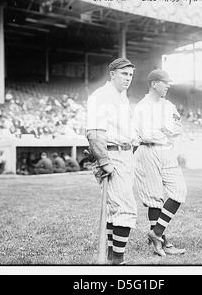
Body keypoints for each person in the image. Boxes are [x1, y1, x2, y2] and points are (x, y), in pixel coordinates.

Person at [85, 57, 137, 265]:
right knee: (125, 208)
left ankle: (110, 255)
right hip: (111, 154)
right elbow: (94, 132)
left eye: (131, 75)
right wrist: (105, 160)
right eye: (124, 74)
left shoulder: (121, 97)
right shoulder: (101, 96)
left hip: (125, 153)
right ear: (112, 74)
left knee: (115, 207)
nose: (128, 78)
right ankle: (118, 261)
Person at [132, 69, 187, 257]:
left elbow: (179, 128)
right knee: (154, 198)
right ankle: (162, 244)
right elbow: (147, 135)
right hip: (147, 151)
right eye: (165, 82)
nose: (168, 85)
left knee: (179, 192)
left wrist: (164, 129)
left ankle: (156, 233)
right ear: (154, 83)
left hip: (167, 151)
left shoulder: (169, 105)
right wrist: (166, 129)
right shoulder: (141, 107)